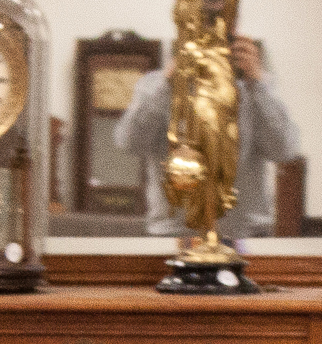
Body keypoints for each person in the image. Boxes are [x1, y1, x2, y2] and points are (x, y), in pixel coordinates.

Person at [114, 36, 299, 238]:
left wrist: (257, 84)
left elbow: (284, 150)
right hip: (174, 233)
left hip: (244, 234)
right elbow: (129, 144)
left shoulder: (255, 87)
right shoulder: (156, 86)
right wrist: (168, 83)